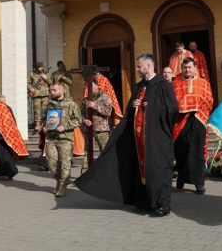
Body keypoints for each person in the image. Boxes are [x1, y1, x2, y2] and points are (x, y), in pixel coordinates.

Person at [76, 54, 178, 216]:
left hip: (157, 138)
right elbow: (130, 108)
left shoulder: (163, 85)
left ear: (149, 66)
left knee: (158, 169)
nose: (137, 68)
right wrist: (133, 106)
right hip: (139, 139)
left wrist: (151, 106)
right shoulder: (139, 87)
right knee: (140, 169)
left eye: (139, 66)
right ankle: (145, 201)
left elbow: (172, 109)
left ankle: (162, 204)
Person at [172, 57, 213, 194]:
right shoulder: (175, 84)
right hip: (181, 120)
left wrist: (200, 110)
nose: (187, 70)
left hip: (198, 119)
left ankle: (199, 182)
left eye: (190, 67)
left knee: (197, 151)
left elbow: (209, 99)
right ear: (181, 69)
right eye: (185, 67)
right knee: (181, 150)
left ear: (195, 68)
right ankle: (181, 178)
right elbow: (172, 102)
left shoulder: (203, 83)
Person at [42, 83, 81, 197]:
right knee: (51, 163)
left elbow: (78, 120)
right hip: (51, 138)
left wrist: (65, 126)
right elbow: (44, 119)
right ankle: (59, 181)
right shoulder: (50, 105)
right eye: (51, 90)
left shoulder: (71, 104)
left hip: (65, 138)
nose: (51, 92)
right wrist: (45, 126)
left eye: (54, 90)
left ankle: (63, 185)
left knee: (65, 163)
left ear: (62, 90)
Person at [80, 79, 113, 174]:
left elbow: (108, 112)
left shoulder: (104, 97)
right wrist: (84, 120)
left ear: (97, 86)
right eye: (88, 86)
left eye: (91, 86)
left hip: (101, 130)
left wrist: (95, 105)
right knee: (87, 152)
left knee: (104, 152)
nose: (89, 88)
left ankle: (107, 174)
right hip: (89, 129)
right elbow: (80, 113)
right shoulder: (86, 99)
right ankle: (85, 175)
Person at [28, 62, 50, 130]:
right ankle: (37, 124)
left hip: (45, 95)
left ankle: (43, 124)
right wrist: (31, 88)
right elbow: (27, 82)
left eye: (41, 67)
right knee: (36, 110)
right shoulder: (32, 74)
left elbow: (50, 83)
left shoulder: (46, 74)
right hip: (36, 95)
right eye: (39, 67)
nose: (41, 68)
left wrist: (46, 78)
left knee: (44, 110)